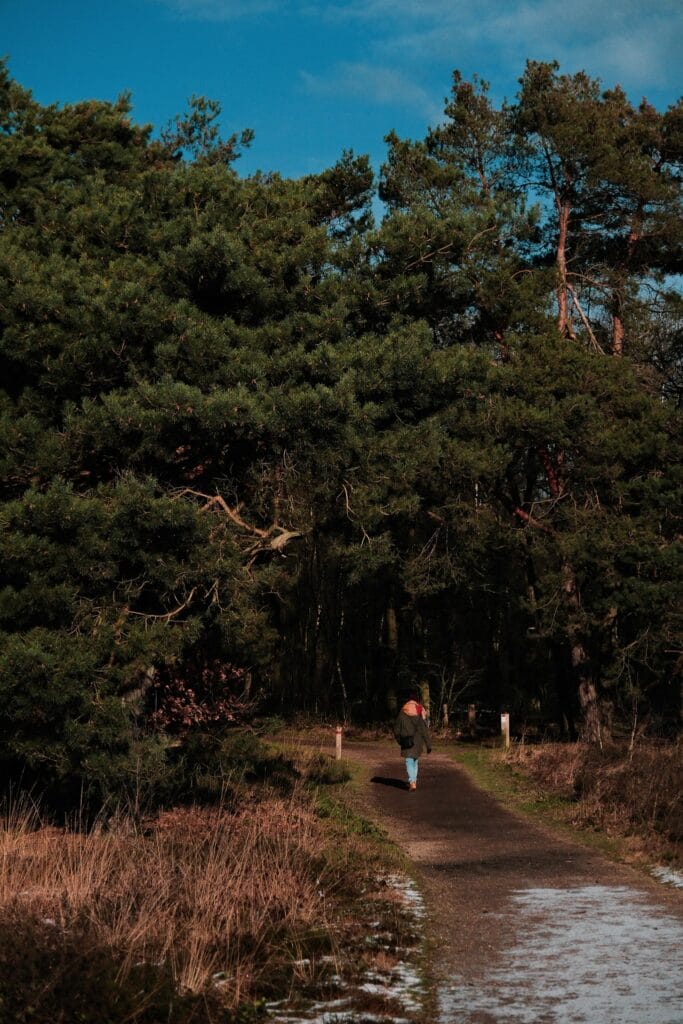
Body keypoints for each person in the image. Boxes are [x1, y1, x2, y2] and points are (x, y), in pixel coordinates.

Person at [393, 690, 431, 791]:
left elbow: (396, 729)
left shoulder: (402, 712)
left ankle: (412, 782)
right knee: (415, 761)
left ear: (408, 701)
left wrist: (399, 740)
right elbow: (424, 731)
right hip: (418, 742)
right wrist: (428, 745)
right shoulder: (420, 711)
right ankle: (413, 780)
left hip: (406, 740)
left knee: (409, 761)